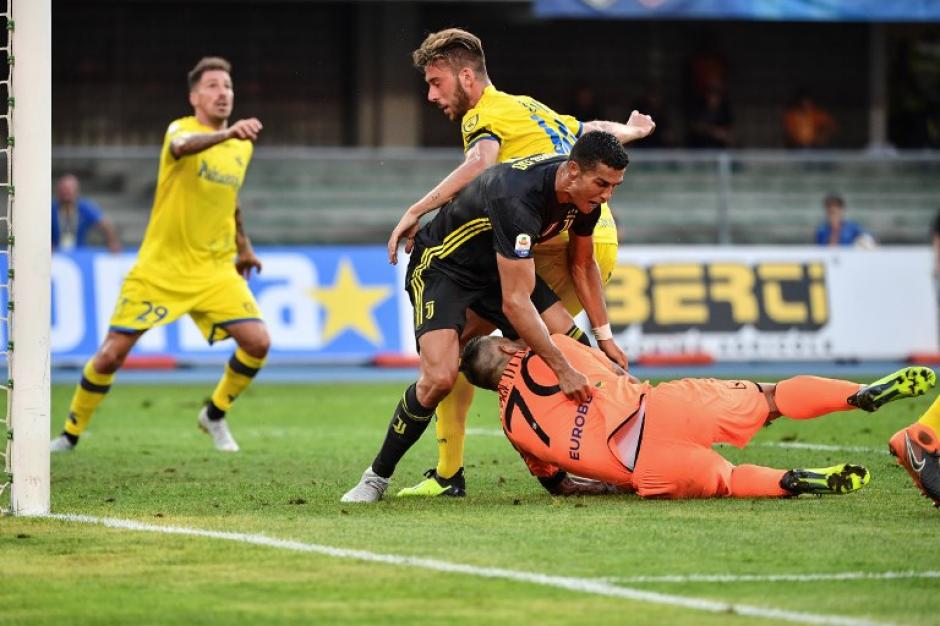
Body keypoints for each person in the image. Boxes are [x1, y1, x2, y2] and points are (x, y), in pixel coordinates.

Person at [385, 28, 655, 498]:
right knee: (559, 347)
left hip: (556, 237)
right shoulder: (526, 106)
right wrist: (629, 131)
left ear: (465, 76)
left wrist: (417, 209)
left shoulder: (483, 117)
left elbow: (479, 165)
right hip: (595, 232)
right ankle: (623, 433)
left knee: (469, 348)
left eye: (436, 83)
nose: (432, 95)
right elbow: (588, 134)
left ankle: (460, 473)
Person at [341, 132, 631, 503]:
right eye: (603, 184)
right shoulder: (518, 198)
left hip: (497, 268)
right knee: (440, 378)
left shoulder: (584, 197)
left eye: (614, 186)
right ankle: (376, 478)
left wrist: (604, 337)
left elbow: (582, 263)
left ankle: (589, 470)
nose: (607, 196)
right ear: (573, 171)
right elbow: (516, 304)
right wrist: (561, 369)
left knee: (581, 350)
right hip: (443, 268)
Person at [50, 57, 270, 453]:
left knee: (258, 342)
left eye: (228, 87)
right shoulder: (182, 130)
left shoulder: (241, 150)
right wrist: (229, 134)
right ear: (194, 96)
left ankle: (214, 414)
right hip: (160, 268)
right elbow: (181, 147)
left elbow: (229, 197)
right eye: (213, 86)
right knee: (110, 355)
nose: (223, 93)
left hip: (213, 268)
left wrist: (244, 245)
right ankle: (69, 434)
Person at [458, 333, 936, 499]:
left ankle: (791, 480)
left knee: (727, 479)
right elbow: (613, 370)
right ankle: (858, 395)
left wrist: (603, 483)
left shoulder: (510, 428)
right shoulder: (554, 349)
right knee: (769, 397)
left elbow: (556, 482)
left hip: (643, 472)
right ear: (505, 346)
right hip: (659, 411)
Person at [51, 174, 122, 253]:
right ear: (57, 192)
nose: (66, 195)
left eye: (69, 191)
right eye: (63, 190)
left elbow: (105, 224)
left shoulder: (85, 208)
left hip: (79, 252)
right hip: (56, 252)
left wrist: (112, 242)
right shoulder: (51, 209)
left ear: (77, 192)